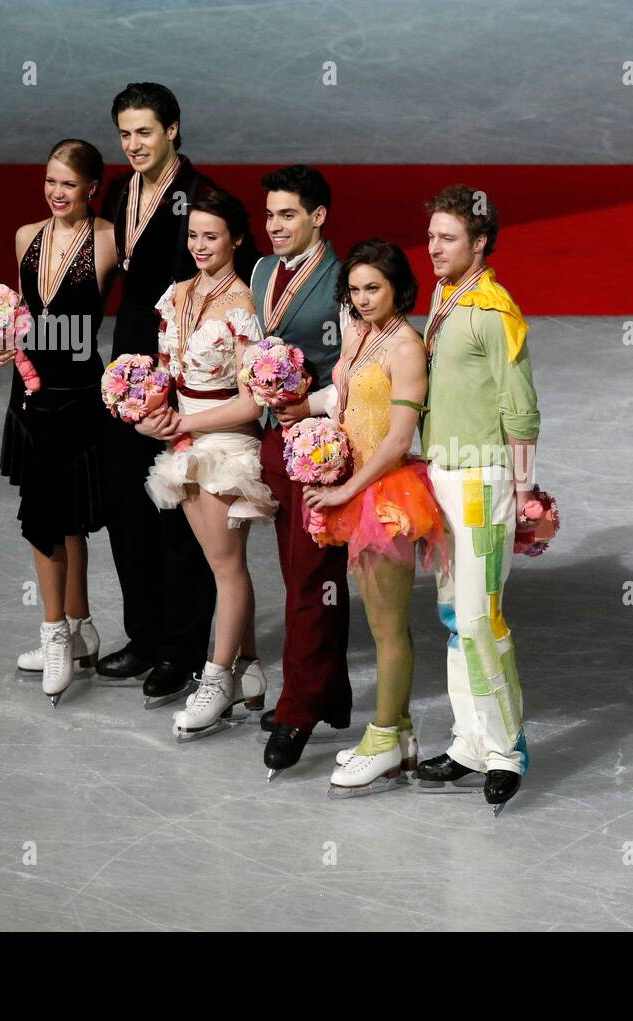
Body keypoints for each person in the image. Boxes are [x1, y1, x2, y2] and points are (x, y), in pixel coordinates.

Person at [303, 240, 445, 797]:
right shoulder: (362, 333)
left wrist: (348, 491)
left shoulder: (405, 346)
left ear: (398, 291)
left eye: (374, 289)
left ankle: (384, 739)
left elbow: (398, 439)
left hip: (385, 493)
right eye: (355, 289)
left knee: (386, 626)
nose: (362, 299)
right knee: (384, 621)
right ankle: (402, 734)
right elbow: (347, 402)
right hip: (357, 486)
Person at [415, 185, 540, 815]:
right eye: (432, 236)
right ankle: (469, 742)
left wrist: (521, 491)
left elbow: (520, 407)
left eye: (449, 238)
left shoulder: (493, 310)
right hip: (441, 476)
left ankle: (506, 749)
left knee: (480, 617)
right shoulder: (443, 299)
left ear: (479, 243)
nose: (434, 248)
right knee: (451, 618)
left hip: (482, 482)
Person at [97, 82, 220, 709]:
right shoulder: (120, 193)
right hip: (125, 375)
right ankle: (144, 635)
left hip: (179, 380)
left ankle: (184, 649)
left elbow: (217, 292)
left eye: (144, 131)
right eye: (124, 133)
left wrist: (183, 387)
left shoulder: (202, 201)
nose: (133, 144)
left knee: (178, 513)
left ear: (173, 129)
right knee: (127, 508)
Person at [140, 187, 276, 739]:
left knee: (225, 566)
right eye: (193, 234)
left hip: (227, 447)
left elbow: (252, 401)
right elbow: (165, 379)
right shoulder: (175, 296)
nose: (199, 245)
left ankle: (216, 681)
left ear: (237, 240)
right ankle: (247, 668)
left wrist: (184, 426)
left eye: (211, 236)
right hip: (188, 442)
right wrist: (153, 415)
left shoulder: (243, 306)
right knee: (217, 563)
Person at [0, 138, 116, 706]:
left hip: (79, 394)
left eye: (68, 184)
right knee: (55, 519)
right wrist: (2, 341)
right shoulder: (25, 237)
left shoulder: (109, 240)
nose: (56, 193)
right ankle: (78, 628)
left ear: (91, 187)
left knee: (58, 519)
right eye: (49, 182)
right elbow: (25, 316)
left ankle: (56, 635)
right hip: (31, 393)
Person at [248, 166, 354, 779]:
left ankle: (298, 707)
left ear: (319, 217)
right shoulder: (263, 271)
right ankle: (329, 689)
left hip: (321, 446)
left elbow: (355, 372)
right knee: (297, 570)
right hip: (271, 440)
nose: (275, 226)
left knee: (312, 574)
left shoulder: (344, 281)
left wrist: (307, 405)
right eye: (268, 216)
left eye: (287, 215)